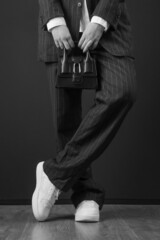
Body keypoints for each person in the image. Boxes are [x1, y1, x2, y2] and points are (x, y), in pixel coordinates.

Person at [32, 0, 136, 222]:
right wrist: (54, 19)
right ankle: (85, 194)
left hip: (109, 24)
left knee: (122, 91)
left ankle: (54, 173)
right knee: (65, 117)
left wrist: (100, 20)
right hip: (60, 27)